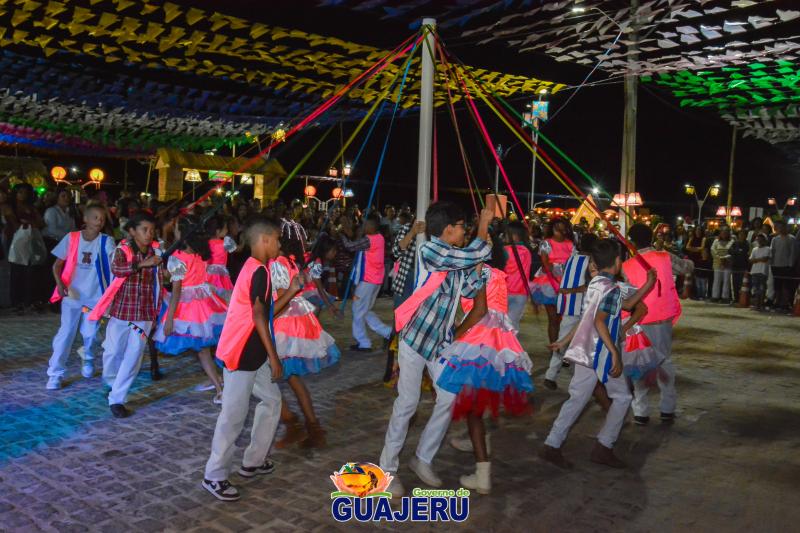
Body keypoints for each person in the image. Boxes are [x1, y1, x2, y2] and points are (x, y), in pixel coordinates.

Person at [379, 203, 493, 496]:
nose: (464, 232)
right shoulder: (431, 250)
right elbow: (470, 253)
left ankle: (423, 459)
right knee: (407, 403)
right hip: (415, 339)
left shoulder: (455, 257)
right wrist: (482, 231)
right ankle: (388, 470)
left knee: (449, 397)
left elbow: (469, 288)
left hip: (440, 341)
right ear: (447, 229)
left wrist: (478, 267)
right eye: (461, 226)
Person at [540, 239, 656, 469]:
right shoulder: (611, 289)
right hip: (600, 353)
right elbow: (599, 320)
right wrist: (614, 353)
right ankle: (604, 446)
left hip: (585, 351)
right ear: (617, 262)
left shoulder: (596, 284)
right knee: (622, 397)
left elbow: (623, 305)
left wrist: (647, 284)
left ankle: (552, 444)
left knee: (578, 398)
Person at [438, 249, 533, 494]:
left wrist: (457, 334)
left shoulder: (479, 272)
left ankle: (483, 474)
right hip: (500, 340)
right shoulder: (500, 275)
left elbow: (478, 311)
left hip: (480, 340)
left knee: (471, 407)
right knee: (476, 403)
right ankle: (476, 443)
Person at [202, 219, 284, 502]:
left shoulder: (256, 268)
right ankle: (214, 475)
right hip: (241, 353)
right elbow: (259, 314)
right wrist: (274, 356)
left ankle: (253, 461)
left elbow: (262, 312)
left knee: (272, 402)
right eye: (276, 239)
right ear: (263, 240)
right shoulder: (259, 270)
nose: (279, 244)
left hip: (254, 353)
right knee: (233, 416)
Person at [88, 212, 164, 418]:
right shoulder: (123, 250)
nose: (149, 234)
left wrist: (167, 272)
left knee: (134, 355)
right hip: (121, 312)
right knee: (112, 351)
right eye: (144, 230)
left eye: (152, 230)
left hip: (144, 315)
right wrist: (142, 264)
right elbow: (118, 269)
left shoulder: (157, 252)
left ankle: (117, 398)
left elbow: (162, 281)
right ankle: (112, 382)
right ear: (132, 231)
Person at [270, 227, 340, 449]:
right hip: (299, 322)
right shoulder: (293, 262)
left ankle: (292, 423)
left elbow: (281, 298)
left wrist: (265, 321)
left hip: (283, 324)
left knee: (262, 378)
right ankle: (312, 427)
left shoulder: (278, 263)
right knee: (292, 378)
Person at [153, 216, 228, 404]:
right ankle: (220, 385)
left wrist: (170, 318)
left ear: (183, 235)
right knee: (204, 350)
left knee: (203, 351)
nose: (175, 232)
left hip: (189, 306)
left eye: (177, 229)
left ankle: (221, 387)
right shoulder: (200, 254)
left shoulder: (177, 257)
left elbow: (177, 289)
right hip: (205, 301)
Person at [623, 224, 693, 426]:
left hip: (639, 318)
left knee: (639, 362)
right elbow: (686, 268)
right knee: (664, 360)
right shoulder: (665, 257)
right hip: (662, 317)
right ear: (651, 237)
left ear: (632, 242)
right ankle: (667, 408)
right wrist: (687, 260)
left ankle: (641, 411)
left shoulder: (628, 265)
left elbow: (630, 293)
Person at [46, 205, 115, 389]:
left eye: (102, 218)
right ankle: (55, 374)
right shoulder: (72, 237)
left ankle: (88, 358)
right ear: (85, 219)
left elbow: (115, 267)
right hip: (73, 294)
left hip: (95, 296)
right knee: (66, 332)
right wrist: (60, 284)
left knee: (90, 332)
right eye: (95, 217)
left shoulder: (106, 241)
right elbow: (56, 266)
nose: (99, 221)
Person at [544, 232, 596, 390]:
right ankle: (582, 380)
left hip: (567, 305)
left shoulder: (570, 259)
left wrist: (566, 290)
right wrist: (573, 290)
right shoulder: (592, 263)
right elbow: (589, 286)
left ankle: (551, 375)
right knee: (584, 342)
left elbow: (557, 272)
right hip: (582, 307)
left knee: (563, 340)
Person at [340, 215, 392, 351]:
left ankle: (364, 342)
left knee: (358, 310)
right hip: (375, 280)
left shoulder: (370, 240)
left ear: (372, 227)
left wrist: (341, 234)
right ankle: (387, 333)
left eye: (365, 225)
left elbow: (349, 246)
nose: (363, 227)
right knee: (365, 310)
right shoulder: (379, 237)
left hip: (368, 281)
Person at [530, 218, 574, 347]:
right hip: (549, 282)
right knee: (553, 318)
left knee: (564, 319)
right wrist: (558, 267)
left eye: (562, 229)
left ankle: (562, 345)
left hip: (567, 283)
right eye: (557, 229)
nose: (560, 232)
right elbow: (546, 264)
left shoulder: (570, 244)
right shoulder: (546, 243)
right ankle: (555, 348)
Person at [503, 221, 532, 330]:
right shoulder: (527, 251)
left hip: (505, 292)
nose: (504, 237)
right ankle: (511, 345)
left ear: (514, 235)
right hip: (521, 293)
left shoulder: (505, 251)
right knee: (512, 324)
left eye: (506, 234)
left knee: (501, 323)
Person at [206, 216, 237, 301]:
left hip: (207, 273)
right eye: (225, 228)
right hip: (221, 275)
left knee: (211, 296)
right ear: (218, 231)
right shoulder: (225, 243)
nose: (227, 230)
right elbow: (234, 248)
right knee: (224, 296)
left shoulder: (205, 243)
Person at [769, 221, 796, 311]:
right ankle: (777, 301)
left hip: (786, 265)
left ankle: (785, 303)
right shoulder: (775, 239)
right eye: (779, 227)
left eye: (783, 227)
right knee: (777, 285)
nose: (781, 229)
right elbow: (772, 251)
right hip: (776, 265)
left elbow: (792, 252)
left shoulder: (791, 238)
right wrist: (771, 263)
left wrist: (790, 264)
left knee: (786, 285)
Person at [684, 226, 709, 299]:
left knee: (697, 276)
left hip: (699, 259)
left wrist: (693, 249)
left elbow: (702, 248)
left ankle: (698, 293)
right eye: (697, 230)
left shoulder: (703, 238)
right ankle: (691, 293)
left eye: (699, 230)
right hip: (691, 258)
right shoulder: (691, 238)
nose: (698, 231)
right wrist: (696, 249)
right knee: (691, 276)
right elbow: (687, 247)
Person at [710, 227, 734, 303]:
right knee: (717, 280)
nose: (724, 234)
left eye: (726, 232)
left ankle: (725, 297)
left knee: (726, 281)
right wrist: (720, 258)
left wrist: (725, 258)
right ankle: (715, 296)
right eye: (723, 232)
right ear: (720, 233)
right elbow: (713, 250)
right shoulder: (716, 241)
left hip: (728, 263)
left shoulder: (732, 241)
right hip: (717, 263)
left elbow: (733, 252)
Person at [749, 234, 770, 311]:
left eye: (761, 239)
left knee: (762, 289)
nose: (759, 241)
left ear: (764, 240)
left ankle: (761, 305)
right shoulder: (754, 249)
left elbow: (765, 259)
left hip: (763, 271)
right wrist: (759, 259)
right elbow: (751, 260)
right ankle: (756, 305)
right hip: (754, 271)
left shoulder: (767, 249)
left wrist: (756, 260)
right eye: (758, 239)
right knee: (755, 289)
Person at [729, 230, 750, 300]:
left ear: (746, 236)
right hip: (734, 265)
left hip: (743, 266)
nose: (741, 236)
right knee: (735, 283)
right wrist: (738, 251)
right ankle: (736, 298)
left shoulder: (747, 244)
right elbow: (729, 250)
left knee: (742, 283)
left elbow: (745, 253)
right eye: (740, 234)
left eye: (743, 234)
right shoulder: (735, 243)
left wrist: (737, 251)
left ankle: (742, 298)